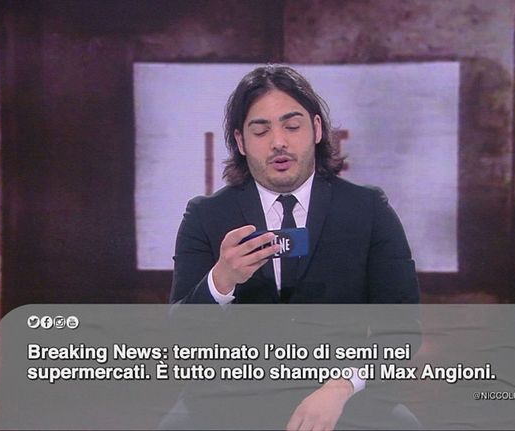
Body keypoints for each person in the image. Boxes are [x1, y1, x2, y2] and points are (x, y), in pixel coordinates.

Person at [167, 64, 420, 430]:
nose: (278, 142)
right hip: (231, 401)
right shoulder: (205, 216)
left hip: (338, 395)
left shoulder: (367, 210)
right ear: (240, 141)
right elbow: (180, 336)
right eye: (261, 130)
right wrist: (220, 281)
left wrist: (342, 386)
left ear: (316, 129)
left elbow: (402, 331)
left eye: (292, 126)